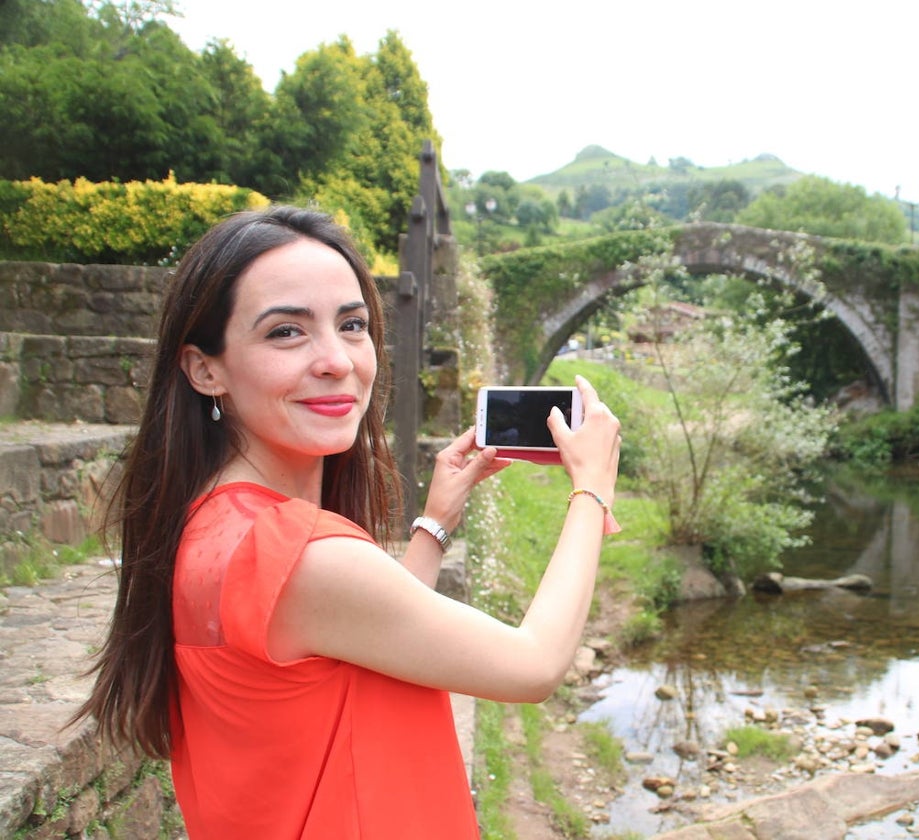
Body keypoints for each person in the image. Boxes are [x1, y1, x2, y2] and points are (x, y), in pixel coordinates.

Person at [72, 205, 622, 838]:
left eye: (352, 324)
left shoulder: (210, 522)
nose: (337, 359)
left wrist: (435, 522)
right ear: (205, 368)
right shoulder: (300, 555)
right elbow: (534, 666)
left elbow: (370, 642)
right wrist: (591, 491)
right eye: (286, 332)